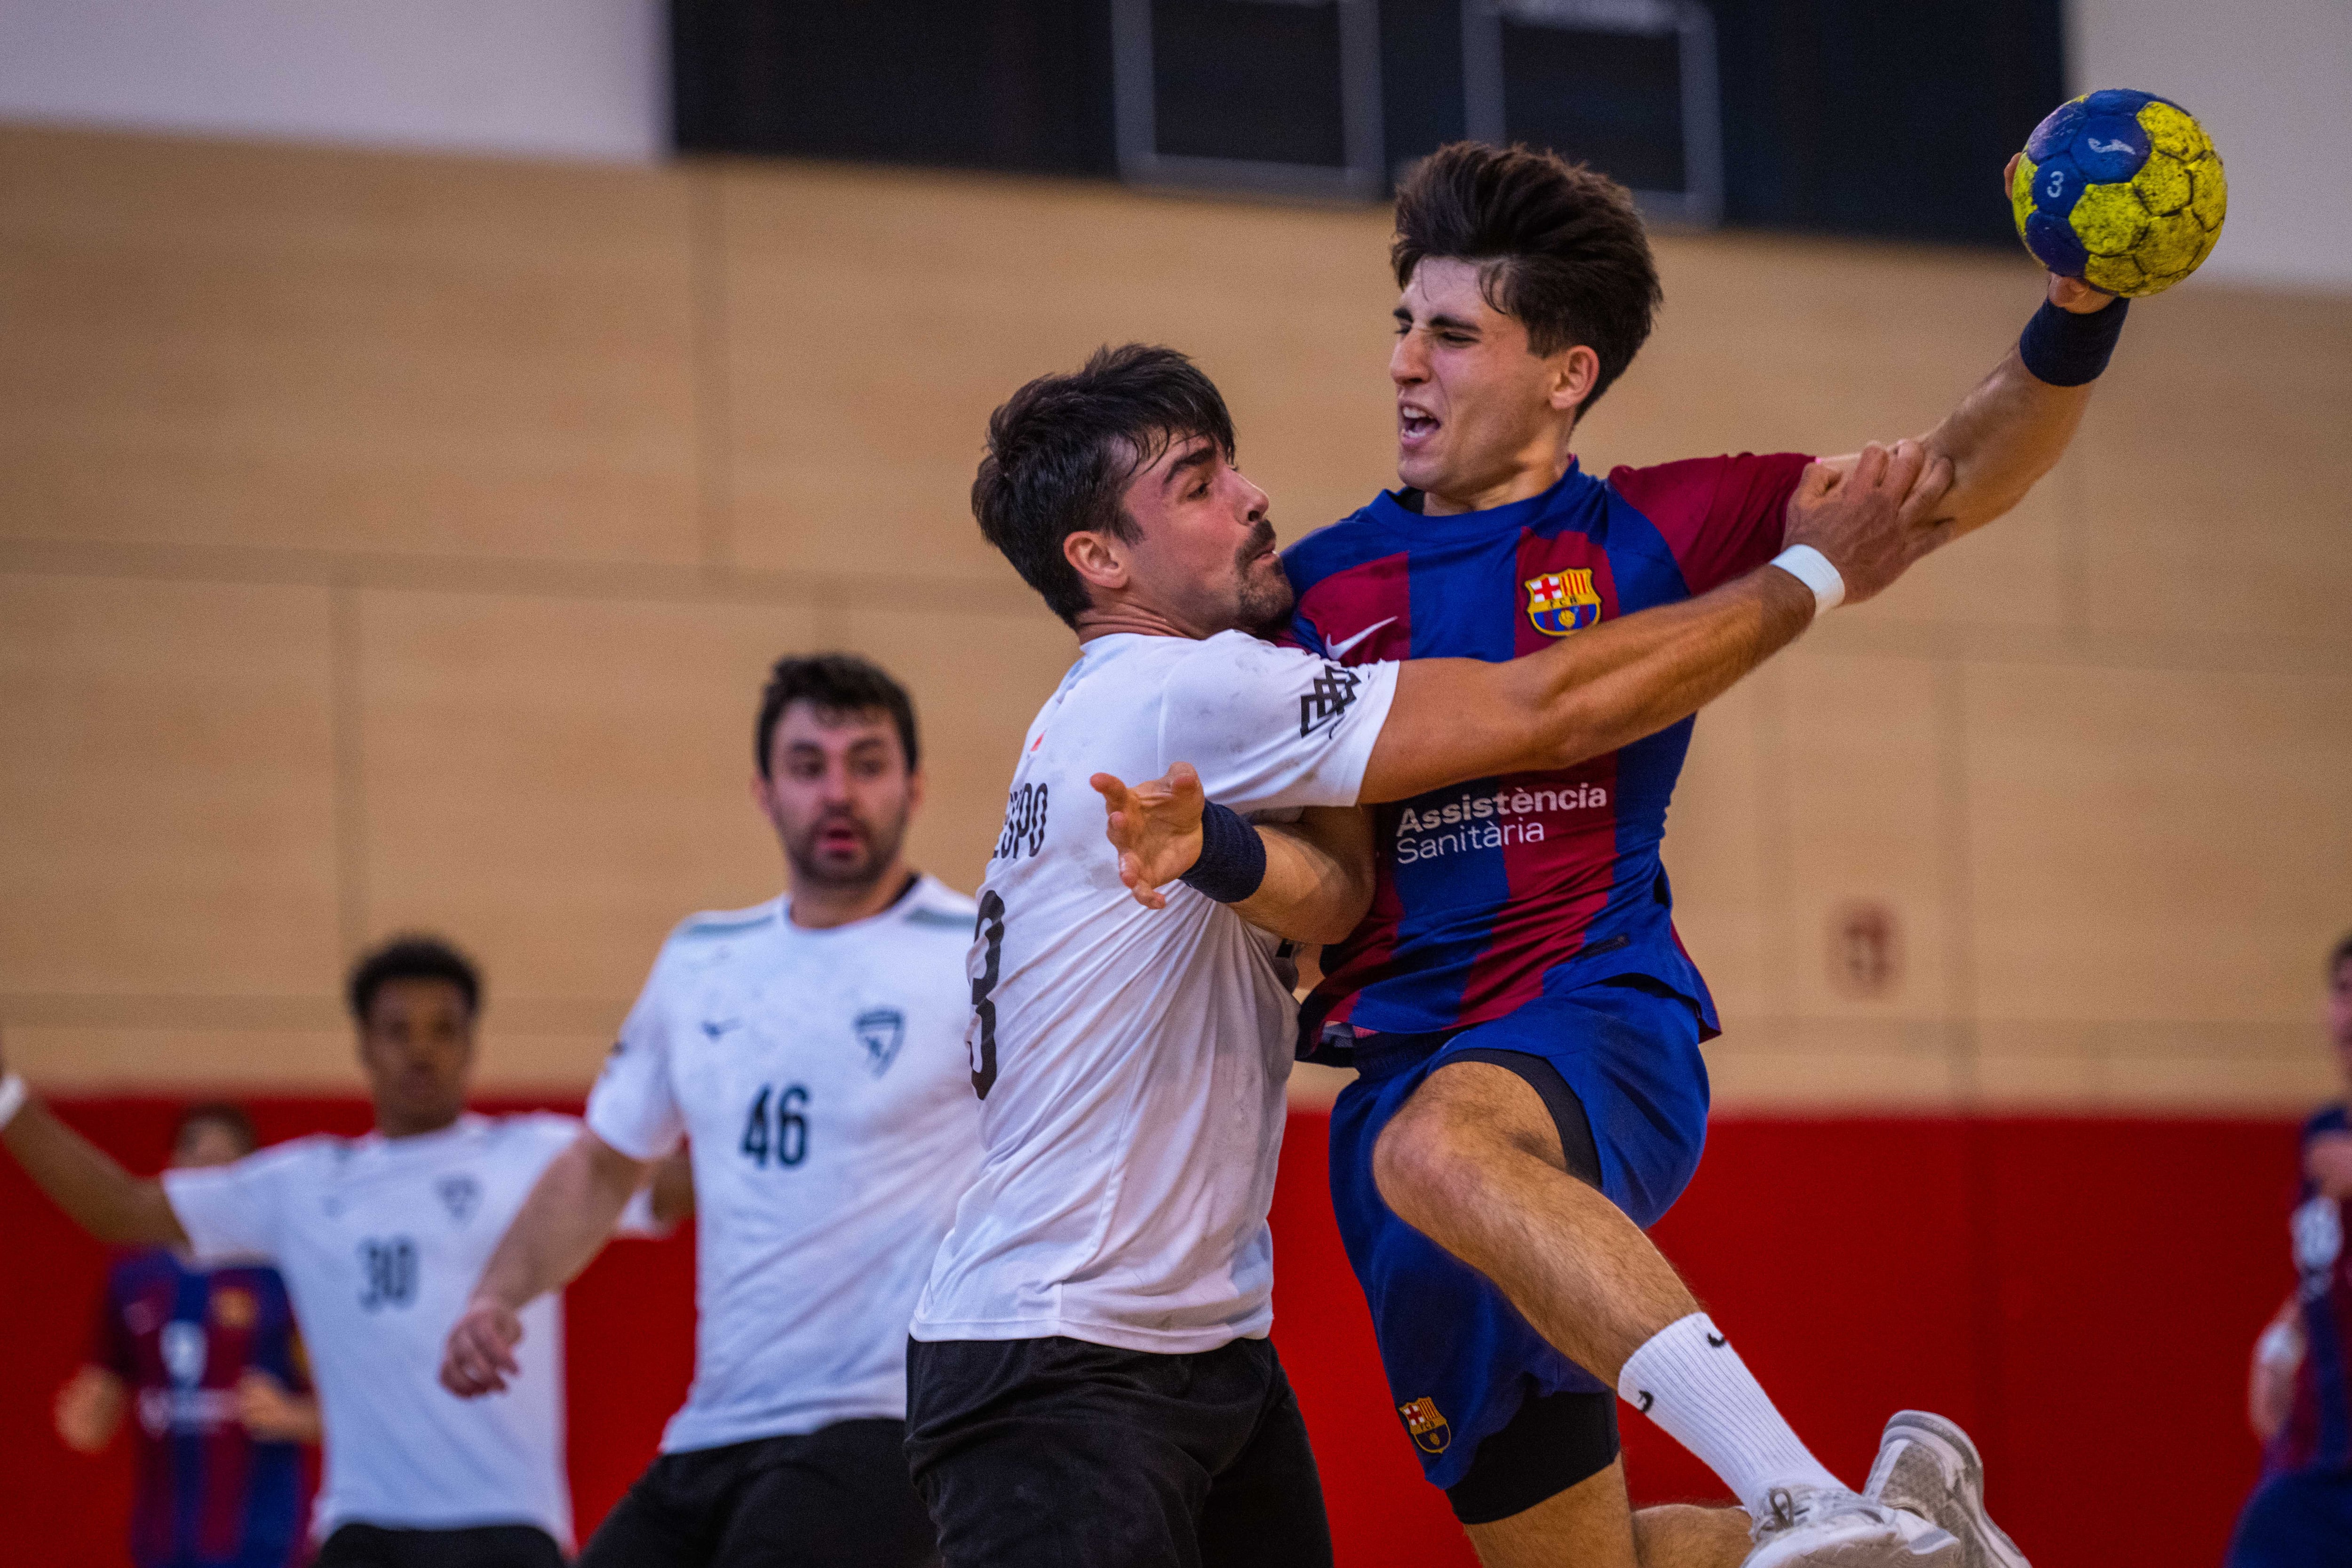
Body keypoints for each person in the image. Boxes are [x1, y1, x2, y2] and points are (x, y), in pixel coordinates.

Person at [1197, 140, 2113, 1568]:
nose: (1403, 365)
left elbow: (1952, 476)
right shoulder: (1313, 587)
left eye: (1450, 334)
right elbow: (1319, 880)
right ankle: (1910, 1543)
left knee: (1450, 1139)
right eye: (1400, 324)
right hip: (1387, 1099)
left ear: (1564, 372)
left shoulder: (1661, 527)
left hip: (1585, 1014)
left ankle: (1811, 1491)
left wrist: (2080, 307)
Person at [902, 339, 1956, 1568]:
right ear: (1100, 559)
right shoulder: (1180, 691)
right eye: (1196, 485)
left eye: (1234, 466)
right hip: (1059, 1359)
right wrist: (1815, 572)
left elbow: (1335, 894)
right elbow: (1542, 710)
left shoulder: (1135, 712)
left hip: (1206, 1351)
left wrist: (1222, 853)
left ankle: (1913, 1545)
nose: (1249, 496)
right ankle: (1821, 1503)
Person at [441, 654, 979, 1568]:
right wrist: (498, 1294)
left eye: (868, 761)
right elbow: (607, 1160)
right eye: (808, 765)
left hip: (887, 1421)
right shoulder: (702, 958)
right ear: (765, 791)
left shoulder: (976, 951)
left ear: (916, 785)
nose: (838, 790)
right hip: (716, 1422)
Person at [0, 936, 690, 1568]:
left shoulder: (540, 1156)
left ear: (472, 1044)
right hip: (366, 1531)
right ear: (363, 1045)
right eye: (398, 1030)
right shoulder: (305, 1184)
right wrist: (7, 1099)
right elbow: (118, 1206)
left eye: (444, 1029)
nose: (422, 1050)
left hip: (510, 1527)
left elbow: (670, 1188)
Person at [55, 1101, 320, 1568]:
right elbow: (100, 1400)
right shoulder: (136, 1278)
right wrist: (85, 1417)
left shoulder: (282, 1277)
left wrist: (293, 1415)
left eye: (227, 1166)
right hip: (162, 1544)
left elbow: (354, 1410)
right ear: (171, 1169)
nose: (210, 1181)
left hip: (263, 1545)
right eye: (197, 1161)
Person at [2228, 931, 2352, 1566]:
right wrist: (2283, 1336)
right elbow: (2328, 1271)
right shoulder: (2323, 1137)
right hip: (2317, 1461)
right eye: (2344, 991)